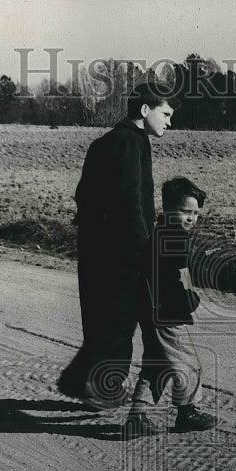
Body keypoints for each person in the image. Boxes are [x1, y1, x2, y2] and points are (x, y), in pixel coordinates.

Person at [57, 82, 173, 409]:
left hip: (98, 248)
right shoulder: (131, 143)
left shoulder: (108, 141)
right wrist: (147, 248)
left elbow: (85, 196)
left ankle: (84, 381)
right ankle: (100, 386)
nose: (169, 122)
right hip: (123, 252)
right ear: (145, 110)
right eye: (165, 113)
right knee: (121, 322)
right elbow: (130, 204)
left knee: (105, 320)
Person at [122, 176, 218, 439]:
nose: (191, 218)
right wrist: (189, 300)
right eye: (185, 212)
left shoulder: (161, 234)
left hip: (152, 311)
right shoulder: (172, 239)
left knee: (157, 364)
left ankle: (137, 416)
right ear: (168, 210)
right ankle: (187, 412)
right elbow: (172, 280)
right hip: (166, 313)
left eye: (196, 213)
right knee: (188, 364)